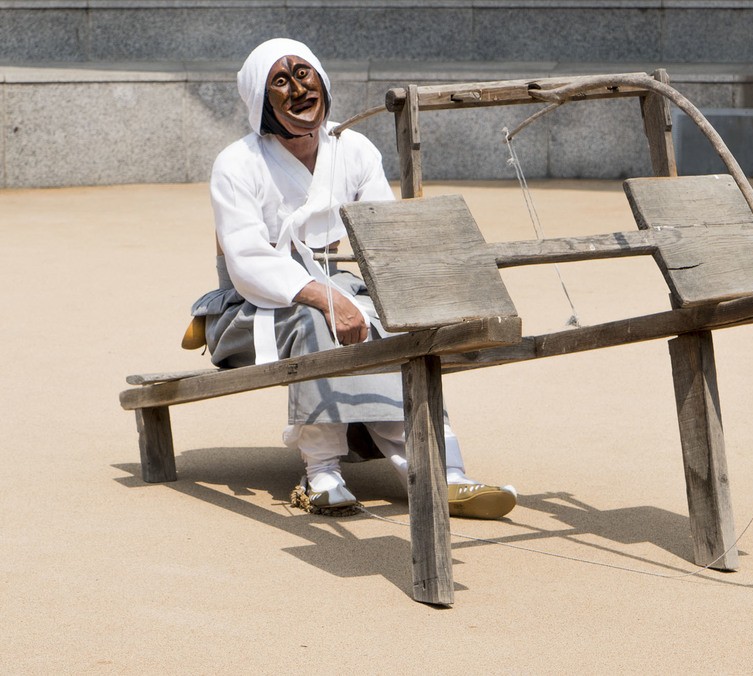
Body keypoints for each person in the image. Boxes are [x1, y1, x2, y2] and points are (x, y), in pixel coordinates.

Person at [191, 38, 515, 519]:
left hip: (338, 286)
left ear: (322, 78)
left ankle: (444, 472)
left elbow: (383, 235)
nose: (298, 89)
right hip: (254, 307)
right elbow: (248, 260)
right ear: (262, 103)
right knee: (318, 319)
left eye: (304, 74)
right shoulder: (237, 163)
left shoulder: (354, 148)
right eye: (280, 82)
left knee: (392, 331)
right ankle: (321, 472)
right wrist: (323, 296)